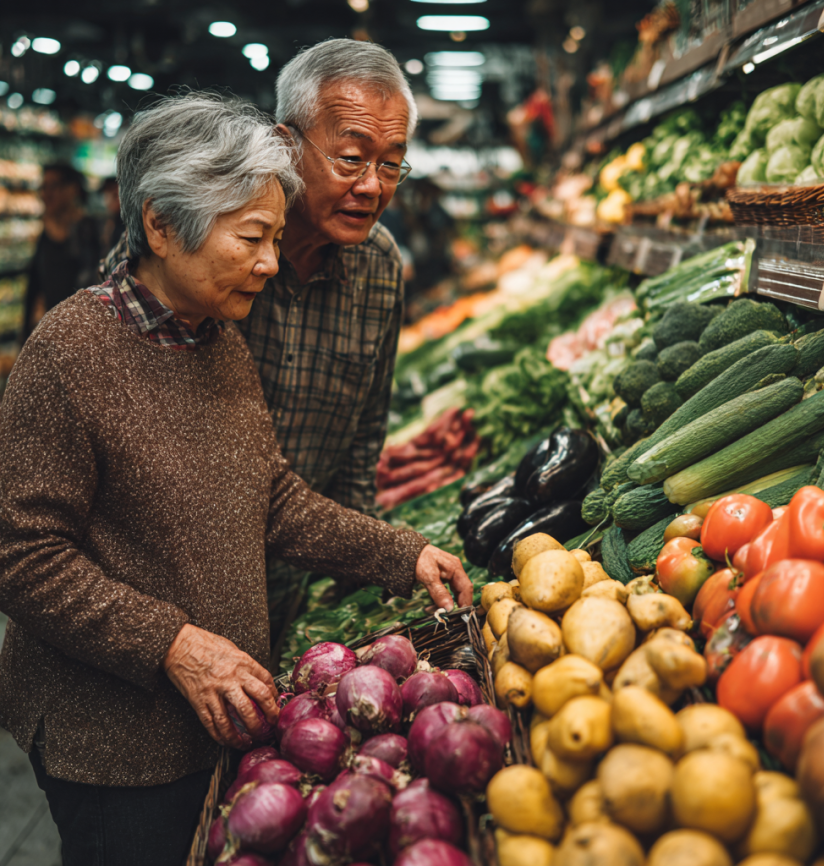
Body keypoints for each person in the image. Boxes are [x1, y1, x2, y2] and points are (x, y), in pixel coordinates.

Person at [0, 93, 472, 866]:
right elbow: (22, 556)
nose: (267, 262)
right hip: (115, 747)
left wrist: (398, 553)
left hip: (217, 720)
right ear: (160, 224)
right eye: (251, 237)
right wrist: (173, 644)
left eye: (276, 238)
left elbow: (269, 493)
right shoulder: (68, 356)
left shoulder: (215, 339)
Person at [104, 40, 427, 643]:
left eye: (391, 165)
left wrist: (353, 575)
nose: (372, 187)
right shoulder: (195, 248)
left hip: (292, 578)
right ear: (285, 143)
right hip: (164, 587)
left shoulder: (380, 267)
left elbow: (360, 442)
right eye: (351, 158)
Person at [22, 163, 101, 341]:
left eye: (53, 187)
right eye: (43, 187)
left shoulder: (89, 231)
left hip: (81, 337)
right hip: (50, 335)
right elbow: (35, 286)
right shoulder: (45, 234)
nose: (45, 194)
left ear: (72, 189)